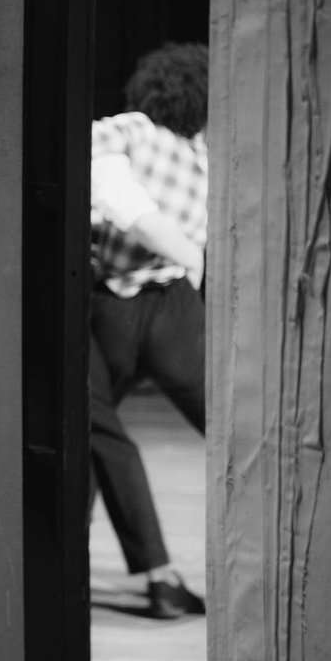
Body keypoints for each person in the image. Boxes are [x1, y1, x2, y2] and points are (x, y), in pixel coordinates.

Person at [89, 41, 209, 619]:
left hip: (107, 306)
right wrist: (191, 255)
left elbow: (111, 190)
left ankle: (158, 575)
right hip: (172, 308)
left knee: (92, 431)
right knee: (238, 424)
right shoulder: (202, 154)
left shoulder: (129, 130)